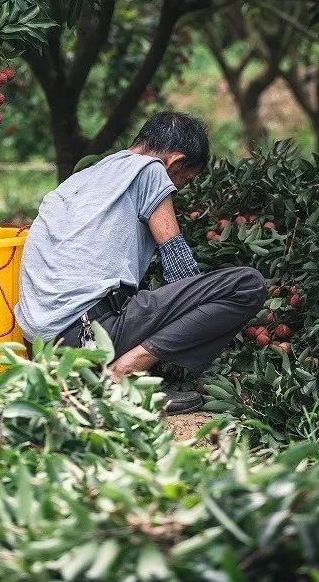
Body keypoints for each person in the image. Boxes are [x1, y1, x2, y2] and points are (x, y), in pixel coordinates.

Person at [15, 111, 266, 414]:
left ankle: (96, 375)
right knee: (246, 285)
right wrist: (208, 321)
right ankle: (124, 373)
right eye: (184, 182)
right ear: (175, 162)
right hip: (86, 336)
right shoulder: (150, 170)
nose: (179, 191)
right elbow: (177, 261)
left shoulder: (83, 178)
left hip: (44, 346)